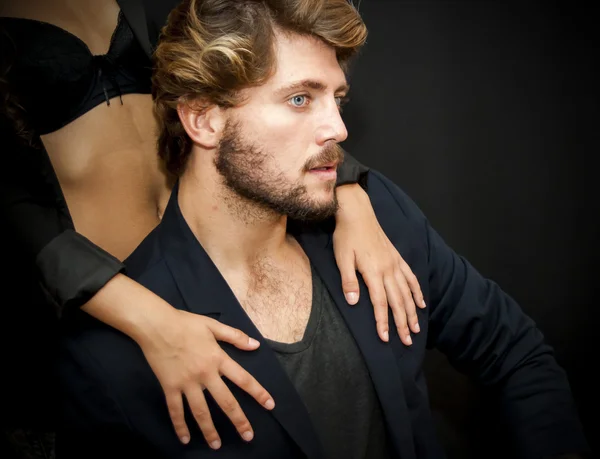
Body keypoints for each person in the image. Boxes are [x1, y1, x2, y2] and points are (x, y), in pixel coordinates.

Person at [55, 0, 591, 458]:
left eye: (336, 98)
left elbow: (515, 351)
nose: (338, 128)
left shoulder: (380, 220)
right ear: (204, 118)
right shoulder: (114, 352)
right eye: (299, 98)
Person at [0, 0, 425, 448]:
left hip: (199, 262)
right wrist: (149, 318)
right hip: (89, 299)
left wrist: (350, 194)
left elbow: (252, 95)